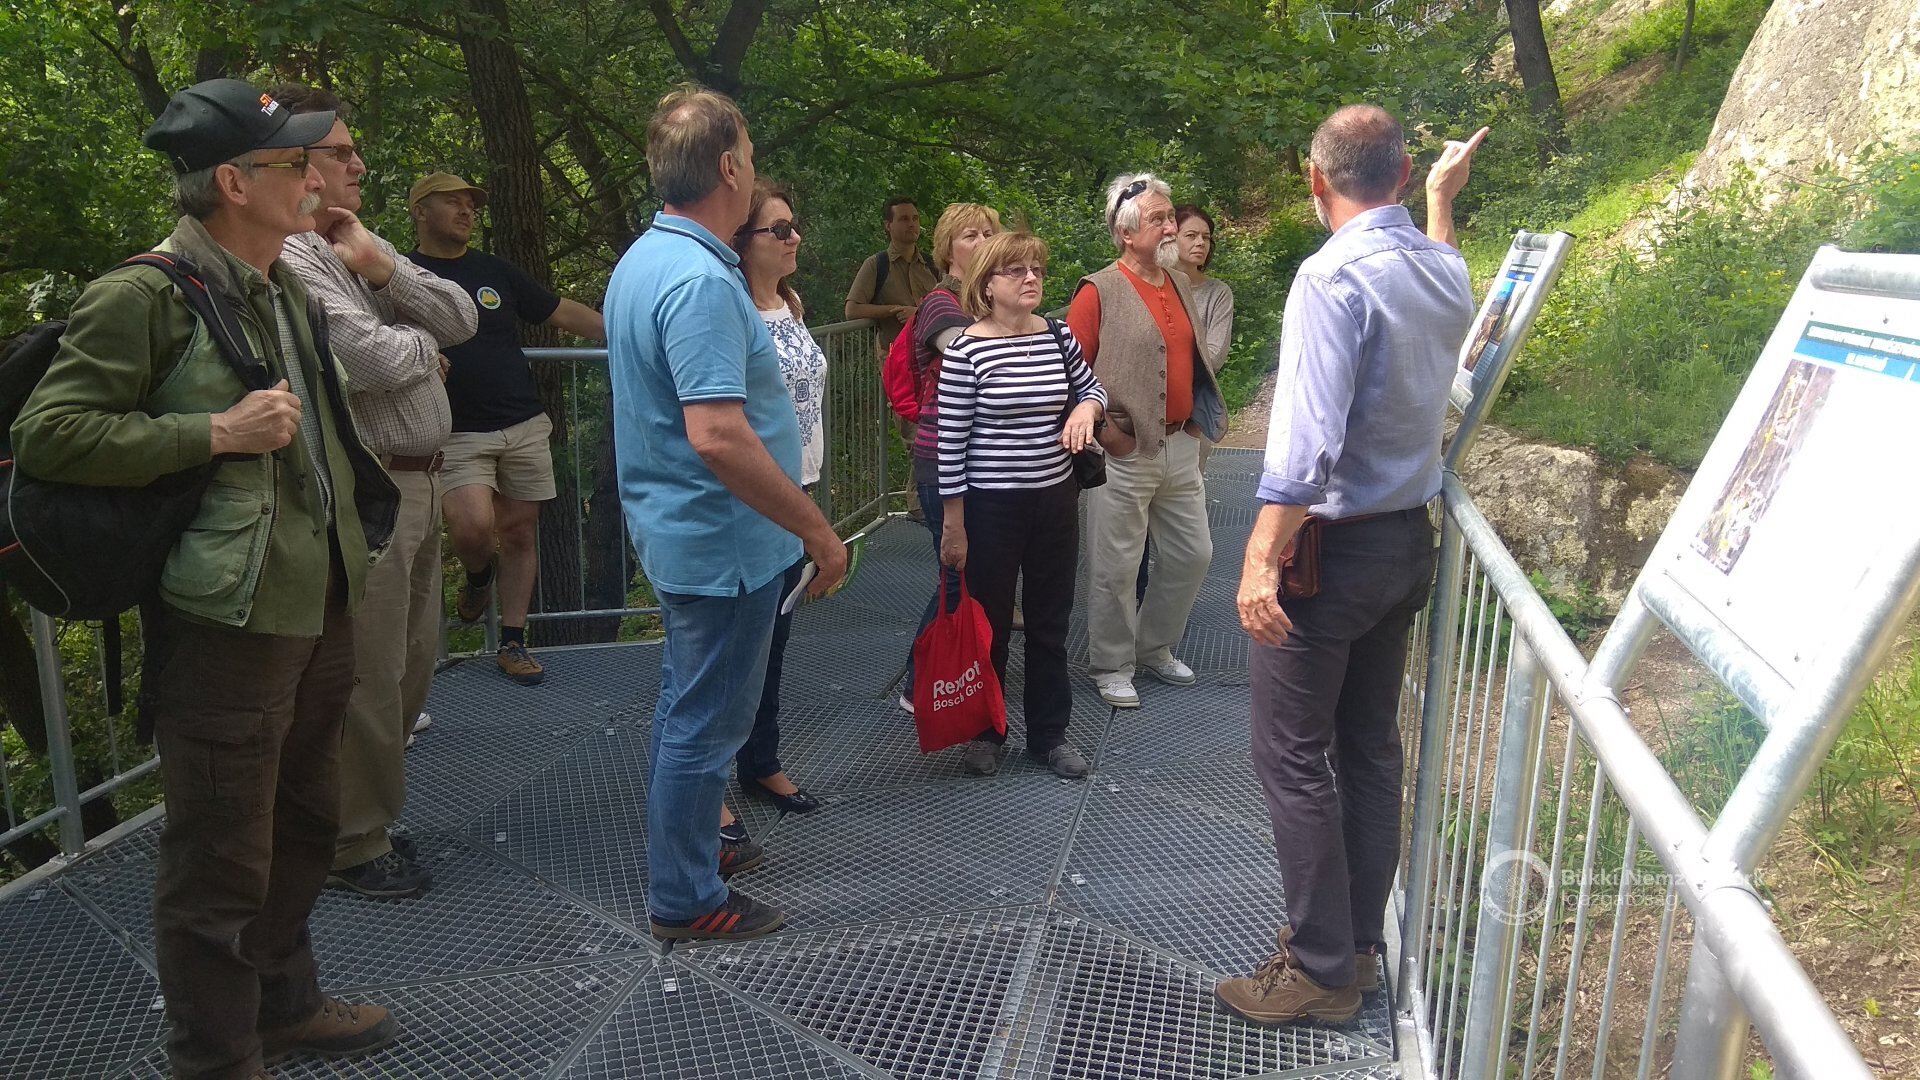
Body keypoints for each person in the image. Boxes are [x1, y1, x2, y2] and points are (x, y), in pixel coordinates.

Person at [11, 79, 403, 1077]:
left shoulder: (279, 284)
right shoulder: (140, 297)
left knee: (304, 824)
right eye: (295, 161)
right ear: (233, 181)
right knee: (220, 857)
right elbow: (50, 435)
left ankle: (283, 1007)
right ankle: (216, 1058)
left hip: (316, 601)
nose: (317, 175)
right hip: (226, 618)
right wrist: (213, 433)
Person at [1214, 108, 1484, 1027]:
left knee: (1291, 754)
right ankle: (1358, 949)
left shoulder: (1330, 278)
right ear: (1402, 174)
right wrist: (1442, 203)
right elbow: (1438, 265)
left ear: (1314, 180)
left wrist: (1261, 558)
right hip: (1406, 540)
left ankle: (1319, 969)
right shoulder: (1443, 268)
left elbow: (1305, 441)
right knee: (1368, 747)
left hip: (1330, 557)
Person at [606, 86, 848, 942]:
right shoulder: (701, 280)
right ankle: (686, 897)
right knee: (706, 724)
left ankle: (695, 859)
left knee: (690, 709)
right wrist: (818, 531)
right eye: (747, 153)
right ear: (729, 169)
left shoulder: (645, 259)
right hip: (725, 545)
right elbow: (716, 435)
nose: (751, 167)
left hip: (691, 535)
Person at [271, 84, 478, 901]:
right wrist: (421, 348)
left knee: (412, 665)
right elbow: (374, 361)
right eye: (340, 152)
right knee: (370, 671)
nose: (358, 165)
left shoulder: (350, 242)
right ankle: (352, 841)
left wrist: (384, 268)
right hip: (371, 487)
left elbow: (462, 317)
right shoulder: (289, 257)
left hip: (422, 480)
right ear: (297, 164)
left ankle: (366, 817)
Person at [405, 172, 605, 687]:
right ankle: (478, 576)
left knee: (518, 531)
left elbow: (559, 311)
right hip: (454, 430)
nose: (466, 211)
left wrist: (631, 333)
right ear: (420, 211)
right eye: (452, 203)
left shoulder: (495, 270)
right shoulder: (402, 275)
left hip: (522, 421)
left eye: (471, 204)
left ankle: (513, 640)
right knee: (471, 528)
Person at [936, 231, 1111, 780]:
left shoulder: (1058, 336)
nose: (1031, 277)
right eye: (1016, 270)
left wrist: (1085, 410)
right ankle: (986, 732)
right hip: (991, 508)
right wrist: (954, 524)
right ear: (987, 285)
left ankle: (1049, 735)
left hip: (1054, 499)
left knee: (1049, 620)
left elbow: (1094, 391)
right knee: (987, 623)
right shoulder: (966, 351)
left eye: (1036, 268)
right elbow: (950, 443)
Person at [1067, 173, 1227, 709]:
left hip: (1181, 446)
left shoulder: (1178, 283)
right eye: (1158, 219)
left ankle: (1153, 645)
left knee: (1193, 554)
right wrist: (1109, 437)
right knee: (1115, 564)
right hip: (1124, 449)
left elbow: (1194, 359)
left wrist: (1199, 417)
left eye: (1170, 217)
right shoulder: (1097, 291)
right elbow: (1068, 375)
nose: (1171, 227)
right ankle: (1112, 664)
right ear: (1125, 232)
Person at [727, 179, 826, 815]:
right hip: (758, 491)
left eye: (794, 227)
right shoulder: (731, 307)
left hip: (800, 485)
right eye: (780, 229)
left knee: (776, 636)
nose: (795, 238)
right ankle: (713, 779)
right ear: (743, 240)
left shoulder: (790, 303)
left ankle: (760, 760)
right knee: (740, 643)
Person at [897, 202, 1002, 714]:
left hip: (984, 457)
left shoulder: (988, 304)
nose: (980, 242)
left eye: (988, 233)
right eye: (969, 235)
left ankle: (962, 672)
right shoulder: (941, 305)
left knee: (972, 572)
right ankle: (920, 683)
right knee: (958, 572)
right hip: (942, 457)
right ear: (947, 248)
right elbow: (972, 355)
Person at [842, 196, 938, 353]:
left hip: (932, 352)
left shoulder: (933, 264)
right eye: (904, 219)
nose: (911, 224)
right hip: (895, 355)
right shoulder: (877, 264)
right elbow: (852, 310)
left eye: (915, 218)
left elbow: (953, 305)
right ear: (888, 225)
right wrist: (894, 310)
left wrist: (918, 314)